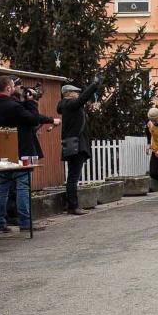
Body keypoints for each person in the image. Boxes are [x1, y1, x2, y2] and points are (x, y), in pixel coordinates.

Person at [0, 75, 55, 233]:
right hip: (22, 149)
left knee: (2, 187)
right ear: (8, 88)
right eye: (13, 86)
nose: (15, 88)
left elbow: (19, 115)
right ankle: (25, 222)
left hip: (4, 148)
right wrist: (31, 102)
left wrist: (24, 102)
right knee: (22, 186)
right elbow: (32, 119)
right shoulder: (14, 106)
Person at [57, 76, 102, 215]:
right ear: (68, 94)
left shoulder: (67, 106)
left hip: (74, 144)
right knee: (73, 177)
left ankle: (72, 204)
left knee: (73, 176)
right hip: (76, 145)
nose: (77, 94)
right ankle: (73, 206)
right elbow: (83, 98)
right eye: (75, 92)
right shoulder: (69, 104)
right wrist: (94, 85)